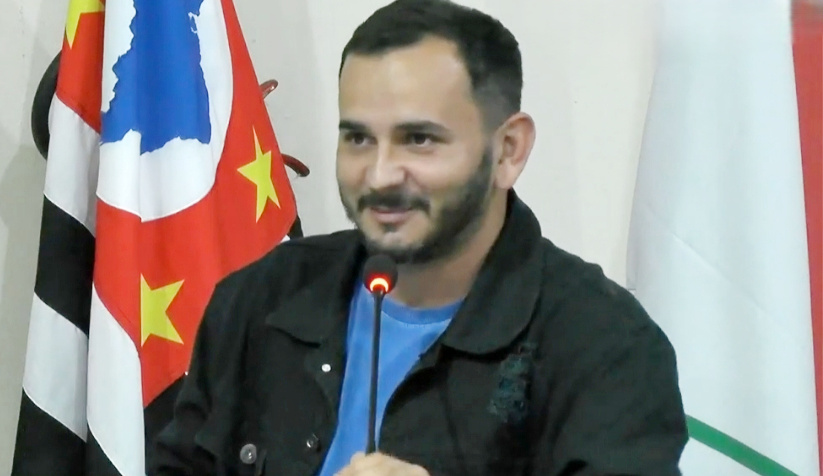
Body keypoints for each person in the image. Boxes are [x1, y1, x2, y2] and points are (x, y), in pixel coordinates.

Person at [148, 0, 689, 474]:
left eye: (419, 140)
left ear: (508, 150)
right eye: (358, 139)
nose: (380, 175)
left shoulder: (605, 345)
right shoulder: (259, 298)